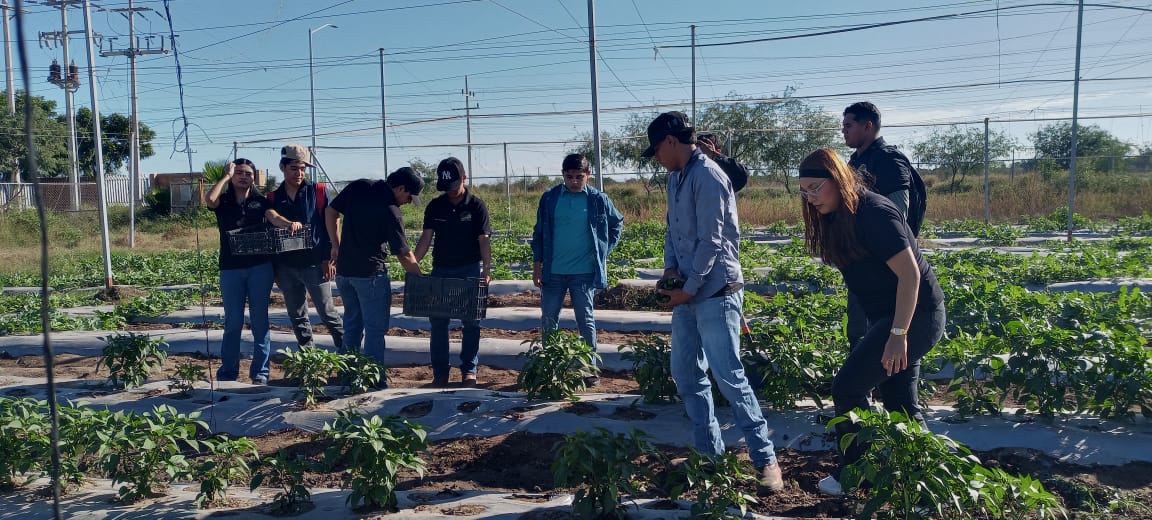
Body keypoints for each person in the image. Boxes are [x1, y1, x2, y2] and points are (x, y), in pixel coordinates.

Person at [645, 111, 783, 494]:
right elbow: (672, 231)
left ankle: (765, 459)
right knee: (687, 374)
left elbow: (713, 241)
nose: (657, 157)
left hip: (716, 292)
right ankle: (709, 455)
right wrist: (670, 269)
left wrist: (689, 289)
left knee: (729, 377)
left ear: (671, 141)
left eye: (657, 149)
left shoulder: (708, 175)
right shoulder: (676, 178)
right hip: (688, 291)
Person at [795, 148, 945, 496]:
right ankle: (923, 484)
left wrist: (897, 335)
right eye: (804, 192)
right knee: (900, 403)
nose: (810, 198)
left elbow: (910, 276)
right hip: (890, 317)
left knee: (848, 388)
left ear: (839, 180)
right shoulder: (838, 216)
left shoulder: (875, 213)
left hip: (916, 316)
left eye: (815, 188)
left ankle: (857, 472)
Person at [205, 158, 301, 385]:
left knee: (260, 321)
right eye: (238, 172)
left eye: (248, 173)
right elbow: (209, 200)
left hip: (260, 267)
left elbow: (274, 217)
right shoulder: (224, 200)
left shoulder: (260, 201)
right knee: (233, 321)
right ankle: (228, 373)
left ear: (253, 178)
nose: (243, 177)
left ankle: (260, 373)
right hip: (230, 268)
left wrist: (289, 224)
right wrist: (225, 176)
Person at [530, 153, 623, 385]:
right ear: (563, 175)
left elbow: (616, 224)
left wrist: (602, 250)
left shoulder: (598, 199)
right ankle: (550, 367)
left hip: (584, 272)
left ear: (587, 175)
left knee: (585, 318)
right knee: (549, 318)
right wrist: (537, 266)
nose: (573, 181)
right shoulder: (550, 198)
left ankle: (588, 368)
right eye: (569, 176)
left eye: (578, 177)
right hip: (553, 271)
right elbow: (539, 232)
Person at [842, 102, 928, 349]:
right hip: (860, 257)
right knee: (858, 327)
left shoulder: (889, 159)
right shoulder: (855, 162)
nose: (843, 131)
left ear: (867, 126)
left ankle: (885, 367)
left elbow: (898, 213)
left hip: (885, 259)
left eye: (848, 125)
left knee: (882, 325)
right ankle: (861, 368)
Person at [325, 167, 424, 368]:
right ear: (401, 188)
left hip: (344, 273)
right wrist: (421, 280)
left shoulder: (359, 186)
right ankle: (373, 378)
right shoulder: (391, 210)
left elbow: (330, 211)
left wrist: (336, 245)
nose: (407, 202)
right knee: (375, 331)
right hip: (370, 275)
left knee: (352, 326)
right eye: (409, 197)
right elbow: (404, 254)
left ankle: (348, 375)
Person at [414, 157, 493, 387]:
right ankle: (440, 373)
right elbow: (426, 238)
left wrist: (486, 268)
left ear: (464, 179)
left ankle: (469, 370)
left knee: (471, 322)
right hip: (441, 270)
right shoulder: (435, 206)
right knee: (439, 323)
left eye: (454, 186)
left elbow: (483, 240)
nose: (450, 191)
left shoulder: (476, 206)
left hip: (469, 269)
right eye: (446, 187)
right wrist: (413, 264)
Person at [267, 144, 344, 352]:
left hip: (315, 262)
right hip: (286, 266)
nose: (299, 173)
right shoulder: (273, 197)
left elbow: (332, 222)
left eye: (302, 169)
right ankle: (308, 355)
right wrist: (275, 270)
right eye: (294, 168)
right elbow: (271, 228)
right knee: (297, 314)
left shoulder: (318, 191)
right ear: (282, 167)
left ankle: (347, 352)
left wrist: (330, 257)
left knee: (327, 312)